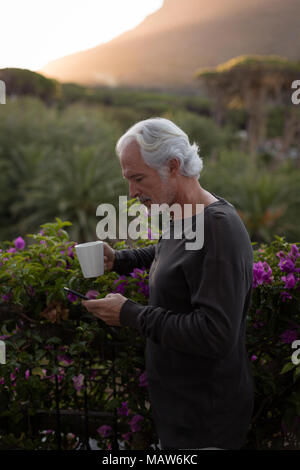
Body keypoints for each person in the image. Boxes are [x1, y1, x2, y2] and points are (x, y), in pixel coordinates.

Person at [82, 117, 255, 450]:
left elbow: (214, 334)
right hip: (179, 416)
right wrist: (120, 260)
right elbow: (172, 252)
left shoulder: (218, 228)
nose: (131, 192)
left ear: (173, 166)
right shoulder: (186, 213)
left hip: (206, 424)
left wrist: (129, 313)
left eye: (138, 178)